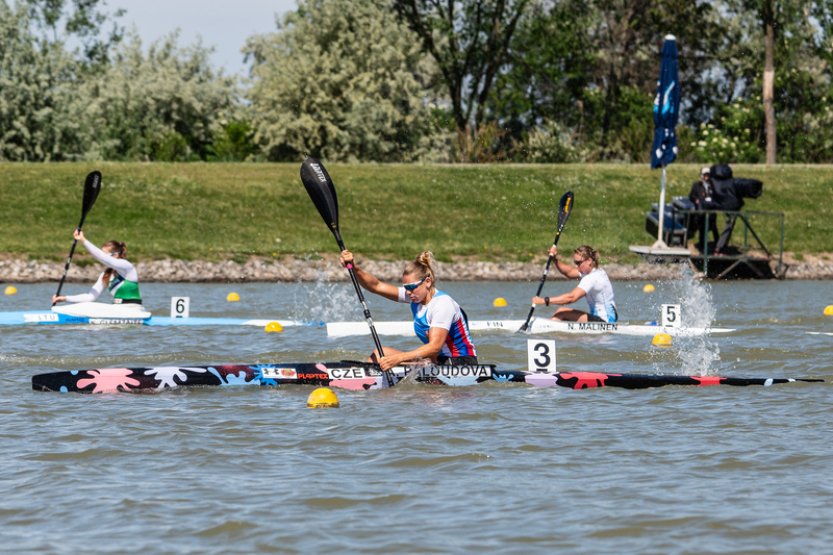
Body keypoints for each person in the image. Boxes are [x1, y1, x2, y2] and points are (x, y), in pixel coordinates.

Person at [338, 249, 477, 371]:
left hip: (462, 364)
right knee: (381, 353)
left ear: (427, 282)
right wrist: (353, 268)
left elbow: (435, 347)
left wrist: (398, 359)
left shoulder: (442, 304)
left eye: (411, 287)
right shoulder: (415, 296)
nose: (408, 292)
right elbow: (376, 286)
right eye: (406, 288)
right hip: (436, 360)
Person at [52, 230, 144, 307]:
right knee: (87, 305)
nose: (102, 257)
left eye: (104, 254)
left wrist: (83, 240)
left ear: (115, 254)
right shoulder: (106, 275)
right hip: (117, 310)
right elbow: (90, 297)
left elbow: (103, 258)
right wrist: (65, 298)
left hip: (133, 310)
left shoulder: (126, 266)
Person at [532, 245, 618, 323]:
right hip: (606, 319)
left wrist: (545, 300)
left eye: (578, 263)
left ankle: (547, 331)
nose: (576, 266)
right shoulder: (596, 271)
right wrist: (554, 259)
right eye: (575, 263)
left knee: (561, 312)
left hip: (605, 321)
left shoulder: (591, 278)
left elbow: (571, 298)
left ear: (589, 261)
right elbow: (569, 272)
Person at [708, 163, 763, 254]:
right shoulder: (732, 183)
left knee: (713, 223)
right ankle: (719, 246)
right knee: (728, 225)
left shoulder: (712, 183)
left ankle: (717, 245)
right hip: (732, 207)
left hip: (714, 205)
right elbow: (744, 184)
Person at [687, 166, 719, 252]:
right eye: (705, 175)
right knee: (702, 228)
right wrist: (696, 200)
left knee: (713, 227)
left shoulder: (713, 186)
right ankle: (702, 246)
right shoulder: (697, 185)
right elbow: (691, 196)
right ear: (702, 176)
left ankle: (718, 246)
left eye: (708, 175)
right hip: (701, 211)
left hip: (711, 210)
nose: (707, 177)